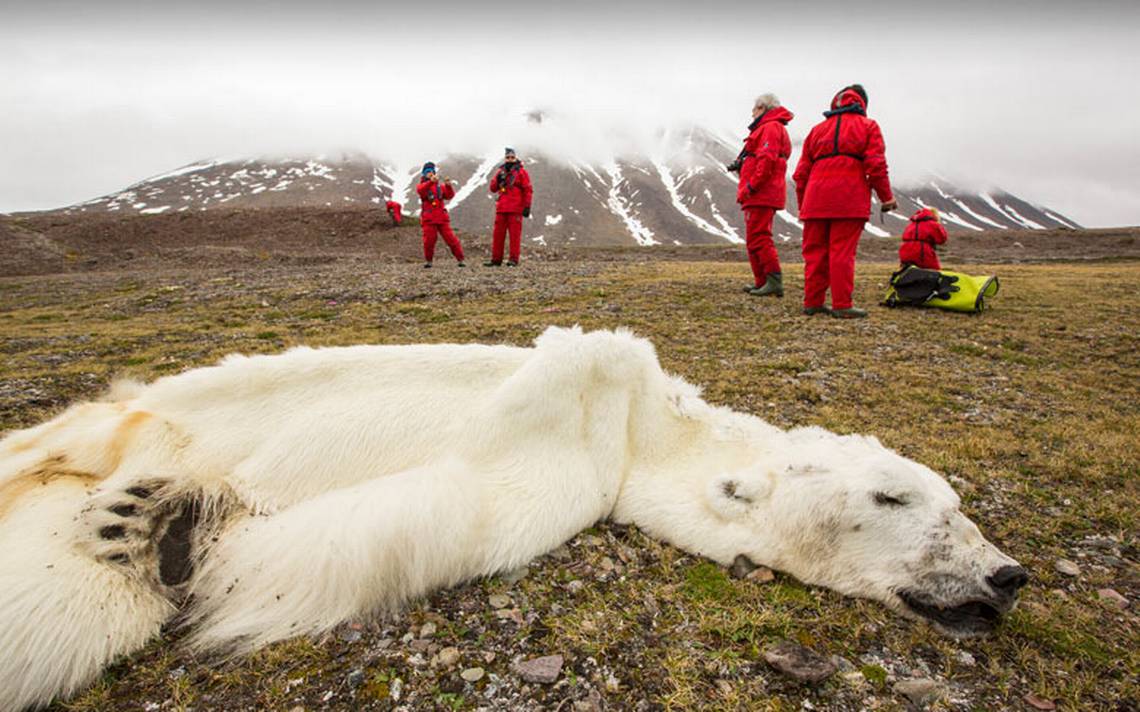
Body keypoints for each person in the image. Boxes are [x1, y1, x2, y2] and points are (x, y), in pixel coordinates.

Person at [792, 84, 897, 318]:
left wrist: (803, 205)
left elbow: (800, 175)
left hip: (815, 200)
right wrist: (886, 197)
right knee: (842, 252)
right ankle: (842, 305)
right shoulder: (868, 126)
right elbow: (876, 165)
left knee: (815, 253)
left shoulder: (817, 130)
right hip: (849, 198)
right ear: (862, 103)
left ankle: (813, 302)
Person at [734, 93, 794, 297]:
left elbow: (767, 159)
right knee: (754, 237)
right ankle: (762, 281)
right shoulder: (768, 128)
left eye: (754, 109)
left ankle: (773, 281)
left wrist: (751, 186)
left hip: (761, 192)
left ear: (762, 108)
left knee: (759, 236)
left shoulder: (770, 128)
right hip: (759, 193)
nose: (752, 113)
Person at [486, 147, 533, 267]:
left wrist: (527, 206)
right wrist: (497, 180)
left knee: (514, 236)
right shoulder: (500, 171)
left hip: (515, 209)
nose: (510, 159)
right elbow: (493, 188)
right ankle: (496, 260)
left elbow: (527, 189)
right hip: (502, 208)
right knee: (498, 235)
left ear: (516, 158)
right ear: (505, 158)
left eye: (512, 157)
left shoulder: (521, 172)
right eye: (508, 157)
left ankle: (513, 259)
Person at [415, 162, 465, 268]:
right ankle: (429, 261)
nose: (430, 174)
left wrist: (448, 185)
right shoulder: (422, 186)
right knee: (429, 241)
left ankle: (460, 259)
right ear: (424, 174)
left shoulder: (440, 187)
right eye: (427, 172)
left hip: (442, 218)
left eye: (432, 172)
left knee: (451, 239)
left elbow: (449, 195)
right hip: (429, 219)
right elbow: (421, 190)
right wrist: (430, 182)